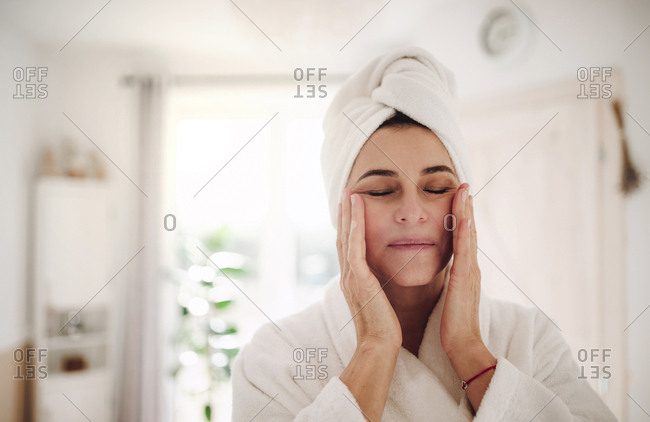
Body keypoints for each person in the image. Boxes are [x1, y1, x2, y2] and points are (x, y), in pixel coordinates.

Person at [231, 46, 618, 421]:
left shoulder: (530, 337)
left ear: (464, 202)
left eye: (435, 188)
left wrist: (470, 351)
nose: (412, 212)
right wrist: (375, 348)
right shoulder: (274, 358)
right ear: (341, 213)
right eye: (381, 190)